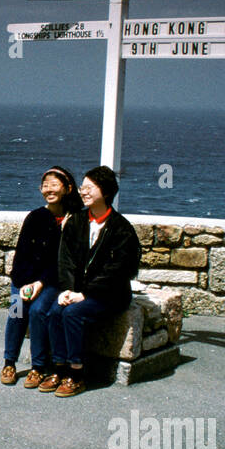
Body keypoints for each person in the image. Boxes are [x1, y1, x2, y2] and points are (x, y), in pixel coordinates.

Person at [41, 165, 140, 398]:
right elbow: (65, 261)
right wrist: (67, 290)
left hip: (110, 295)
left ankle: (77, 373)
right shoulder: (76, 222)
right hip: (77, 291)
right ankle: (59, 368)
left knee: (72, 313)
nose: (83, 192)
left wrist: (85, 293)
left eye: (89, 187)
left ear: (105, 192)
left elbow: (118, 270)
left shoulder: (121, 229)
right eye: (82, 187)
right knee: (55, 310)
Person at [0, 166, 82, 387]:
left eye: (54, 185)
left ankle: (38, 367)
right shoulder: (36, 217)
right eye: (45, 186)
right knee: (16, 310)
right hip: (24, 279)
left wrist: (40, 283)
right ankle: (9, 362)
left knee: (38, 311)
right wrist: (24, 285)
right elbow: (22, 255)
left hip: (51, 281)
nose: (49, 190)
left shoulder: (74, 220)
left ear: (68, 188)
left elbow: (62, 261)